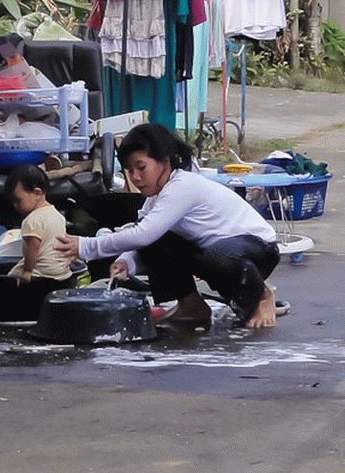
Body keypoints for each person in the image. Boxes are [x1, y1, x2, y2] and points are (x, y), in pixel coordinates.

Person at [56, 124, 280, 328]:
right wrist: (127, 261)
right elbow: (144, 235)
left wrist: (86, 247)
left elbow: (143, 234)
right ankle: (191, 305)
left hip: (258, 249)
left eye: (141, 167)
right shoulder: (156, 198)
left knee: (215, 255)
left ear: (164, 161)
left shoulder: (183, 186)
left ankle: (262, 295)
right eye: (129, 170)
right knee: (156, 237)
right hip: (217, 253)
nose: (135, 177)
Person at [4, 165, 73, 287]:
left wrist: (27, 271)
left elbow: (31, 248)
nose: (15, 206)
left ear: (37, 193)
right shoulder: (57, 215)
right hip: (62, 272)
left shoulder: (32, 221)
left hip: (42, 274)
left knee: (11, 275)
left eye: (18, 200)